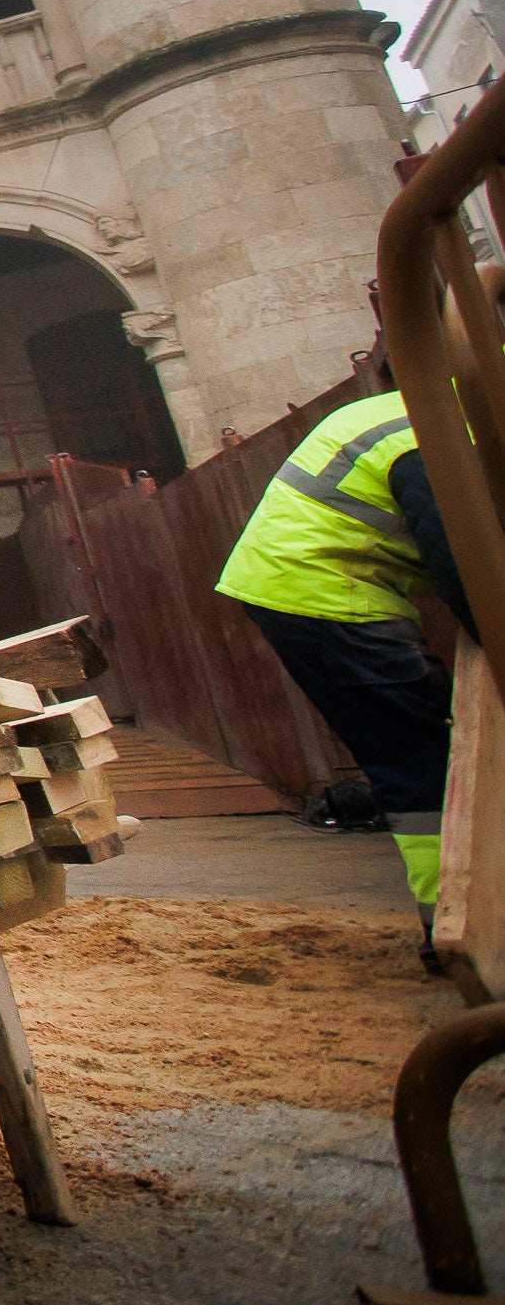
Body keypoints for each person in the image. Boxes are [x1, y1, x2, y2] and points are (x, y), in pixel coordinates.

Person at [216, 364, 473, 959]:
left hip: (306, 587)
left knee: (418, 743)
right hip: (324, 594)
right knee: (419, 752)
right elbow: (461, 567)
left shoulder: (419, 409)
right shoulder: (432, 434)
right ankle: (457, 931)